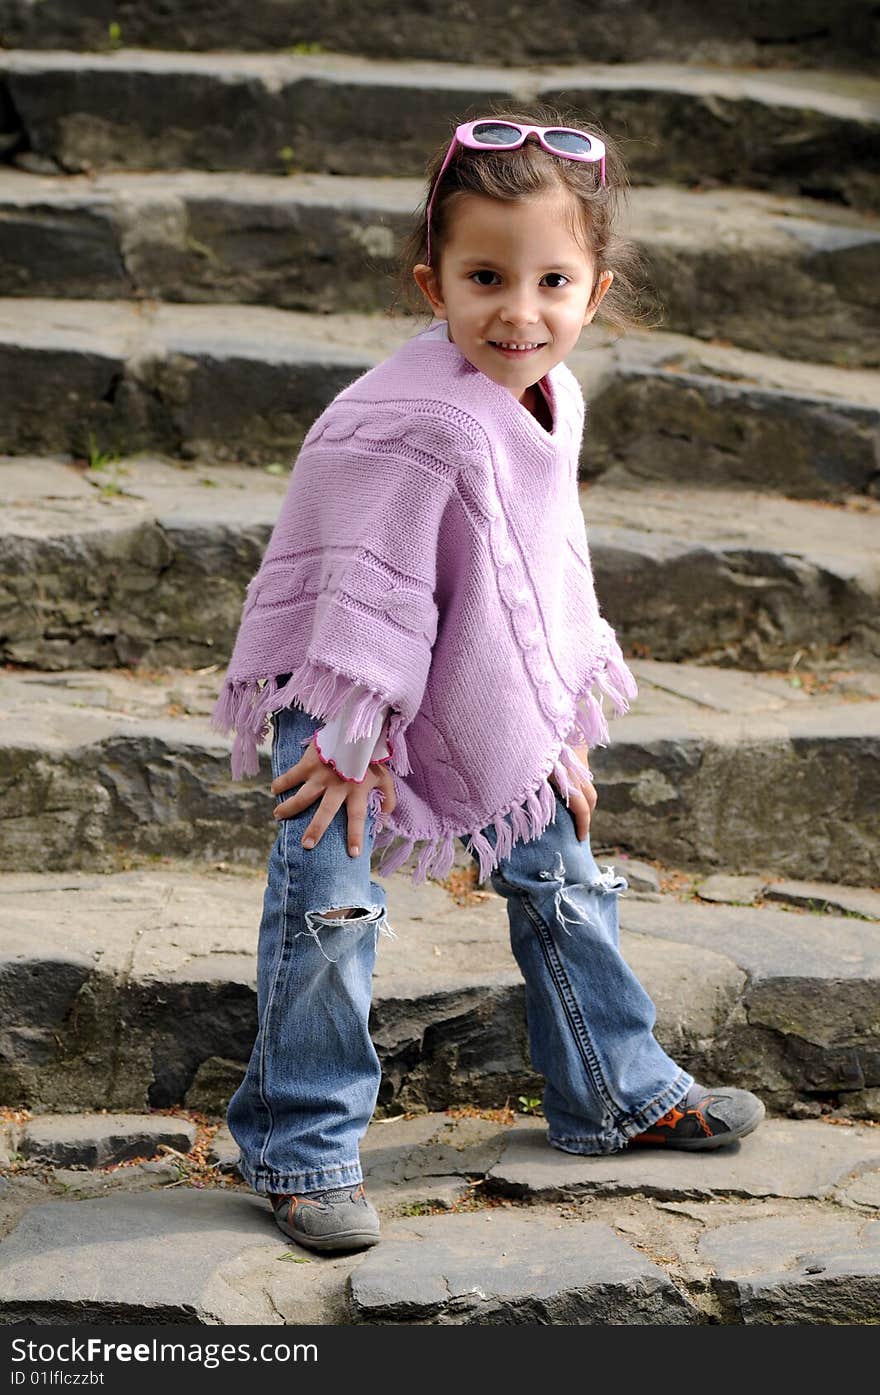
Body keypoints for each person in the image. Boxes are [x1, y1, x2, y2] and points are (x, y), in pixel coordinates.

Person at [211, 105, 764, 1255]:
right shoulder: (403, 420)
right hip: (342, 707)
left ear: (595, 292)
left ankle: (614, 1091)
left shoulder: (552, 401)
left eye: (553, 280)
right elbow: (361, 602)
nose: (519, 312)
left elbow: (531, 580)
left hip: (474, 686)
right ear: (432, 285)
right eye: (484, 278)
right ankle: (298, 1144)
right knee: (330, 911)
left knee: (563, 871)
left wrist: (552, 723)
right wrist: (348, 739)